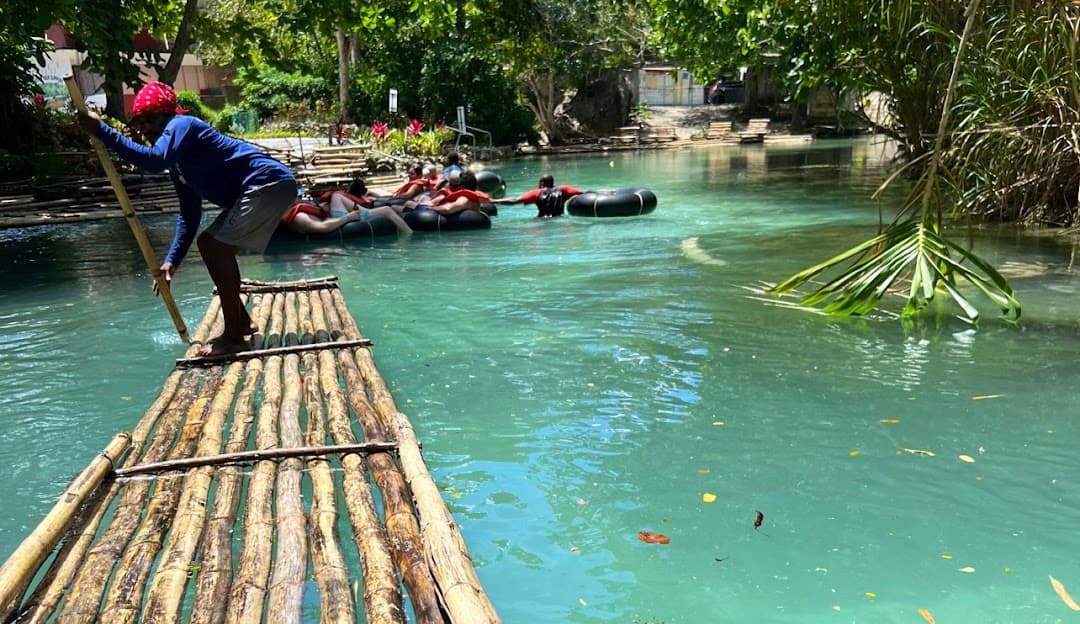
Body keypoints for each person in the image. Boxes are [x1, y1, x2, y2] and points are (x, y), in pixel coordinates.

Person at [77, 80, 296, 357]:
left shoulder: (182, 125)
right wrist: (172, 260)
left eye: (150, 122)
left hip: (268, 183)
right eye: (141, 124)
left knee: (217, 247)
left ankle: (233, 338)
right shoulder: (179, 164)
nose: (147, 131)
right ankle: (241, 322)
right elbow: (190, 214)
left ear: (166, 116)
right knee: (207, 242)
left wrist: (101, 131)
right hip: (255, 190)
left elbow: (154, 161)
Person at [282, 191, 412, 235]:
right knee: (387, 211)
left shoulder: (296, 209)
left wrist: (323, 207)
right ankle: (408, 236)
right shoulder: (299, 217)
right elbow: (322, 227)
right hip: (342, 221)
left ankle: (409, 233)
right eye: (298, 196)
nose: (301, 198)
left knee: (335, 196)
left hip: (338, 216)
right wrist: (347, 218)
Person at [494, 174, 584, 218]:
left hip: (542, 220)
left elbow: (513, 201)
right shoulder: (564, 189)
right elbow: (583, 193)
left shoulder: (536, 193)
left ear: (542, 183)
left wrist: (492, 200)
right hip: (559, 218)